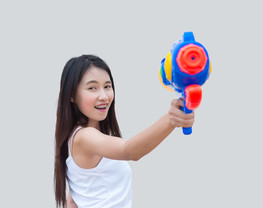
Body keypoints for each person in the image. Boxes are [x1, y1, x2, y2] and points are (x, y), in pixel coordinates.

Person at [54, 54, 195, 208]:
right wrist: (171, 119)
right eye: (92, 88)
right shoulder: (84, 137)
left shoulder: (82, 138)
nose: (103, 96)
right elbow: (129, 151)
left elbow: (73, 200)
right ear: (72, 95)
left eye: (107, 86)